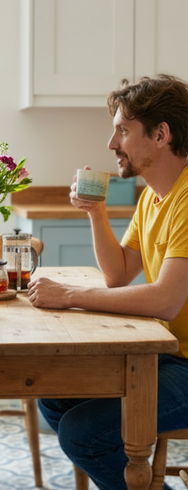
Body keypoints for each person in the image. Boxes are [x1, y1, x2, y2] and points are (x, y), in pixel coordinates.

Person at [28, 73, 188, 490]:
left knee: (83, 433)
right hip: (170, 352)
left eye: (122, 130)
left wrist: (70, 295)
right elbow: (118, 275)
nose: (111, 143)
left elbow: (167, 300)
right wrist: (95, 212)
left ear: (161, 135)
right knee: (55, 393)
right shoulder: (155, 195)